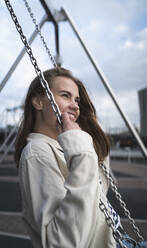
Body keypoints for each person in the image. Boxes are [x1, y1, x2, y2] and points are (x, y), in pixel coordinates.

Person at [15, 67, 146, 248]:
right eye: (65, 95)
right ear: (38, 101)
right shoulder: (37, 153)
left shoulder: (67, 145)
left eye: (77, 99)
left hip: (120, 241)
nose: (76, 105)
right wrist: (83, 154)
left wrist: (88, 142)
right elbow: (62, 242)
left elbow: (94, 195)